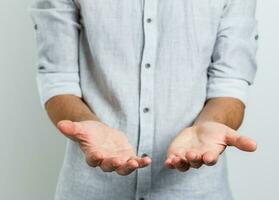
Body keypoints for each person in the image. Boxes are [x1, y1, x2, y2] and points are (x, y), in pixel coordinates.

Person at [29, 0, 258, 199]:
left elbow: (230, 81)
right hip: (90, 187)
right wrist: (87, 124)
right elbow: (57, 76)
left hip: (197, 189)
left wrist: (208, 124)